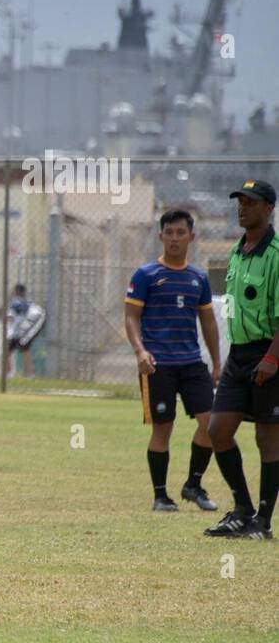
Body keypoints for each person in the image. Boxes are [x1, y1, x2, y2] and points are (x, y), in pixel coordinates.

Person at [123, 209, 221, 513]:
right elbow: (130, 317)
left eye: (181, 233)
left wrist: (217, 363)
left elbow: (208, 323)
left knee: (213, 425)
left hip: (192, 363)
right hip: (158, 364)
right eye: (169, 233)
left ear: (192, 237)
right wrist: (140, 351)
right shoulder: (146, 275)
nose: (175, 238)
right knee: (163, 429)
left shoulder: (198, 278)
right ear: (161, 236)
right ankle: (161, 496)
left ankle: (193, 484)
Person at [204, 179, 279, 540]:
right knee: (217, 430)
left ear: (269, 208)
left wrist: (272, 359)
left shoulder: (276, 253)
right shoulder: (237, 251)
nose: (242, 207)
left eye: (250, 202)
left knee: (268, 437)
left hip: (269, 352)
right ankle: (242, 509)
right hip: (239, 354)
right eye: (239, 201)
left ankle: (262, 522)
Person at [7, 284, 46, 378]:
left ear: (16, 291)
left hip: (19, 332)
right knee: (25, 351)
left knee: (8, 352)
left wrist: (10, 330)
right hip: (26, 330)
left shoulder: (15, 302)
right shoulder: (28, 302)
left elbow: (10, 317)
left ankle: (10, 373)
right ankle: (30, 373)